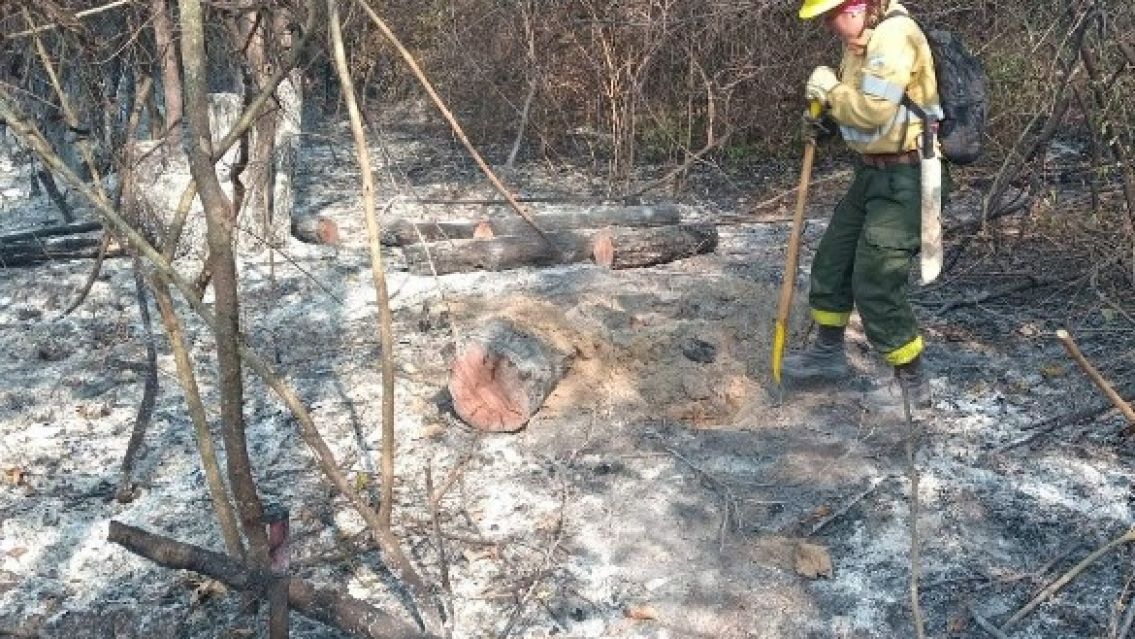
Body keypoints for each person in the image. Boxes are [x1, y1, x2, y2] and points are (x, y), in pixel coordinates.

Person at [785, 0, 944, 414]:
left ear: (857, 5)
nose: (828, 24)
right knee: (834, 260)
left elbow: (874, 112)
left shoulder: (894, 36)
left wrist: (830, 90)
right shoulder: (860, 39)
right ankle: (827, 353)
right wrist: (824, 122)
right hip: (871, 173)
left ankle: (913, 385)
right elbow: (860, 109)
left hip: (906, 177)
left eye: (830, 15)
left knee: (876, 277)